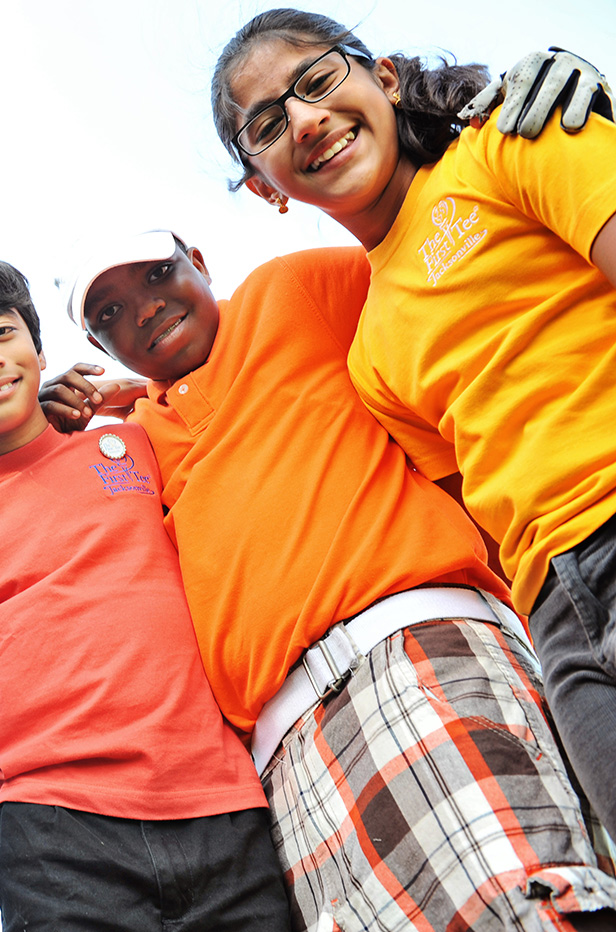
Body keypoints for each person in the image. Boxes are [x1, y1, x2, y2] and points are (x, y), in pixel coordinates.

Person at [45, 230, 616, 931]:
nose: (142, 309)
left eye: (158, 272)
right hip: (285, 759)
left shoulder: (290, 293)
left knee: (524, 907)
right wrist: (48, 419)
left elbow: (424, 263)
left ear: (199, 259)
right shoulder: (136, 442)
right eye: (107, 314)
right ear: (100, 349)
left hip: (411, 654)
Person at [209, 8, 616, 846]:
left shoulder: (514, 138)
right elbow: (480, 507)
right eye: (269, 122)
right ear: (266, 186)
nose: (307, 119)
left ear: (384, 77)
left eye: (317, 81)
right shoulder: (371, 358)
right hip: (557, 620)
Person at [0, 245, 286, 932]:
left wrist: (118, 393)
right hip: (57, 832)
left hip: (225, 808)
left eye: (1, 331)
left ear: (37, 346)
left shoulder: (132, 444)